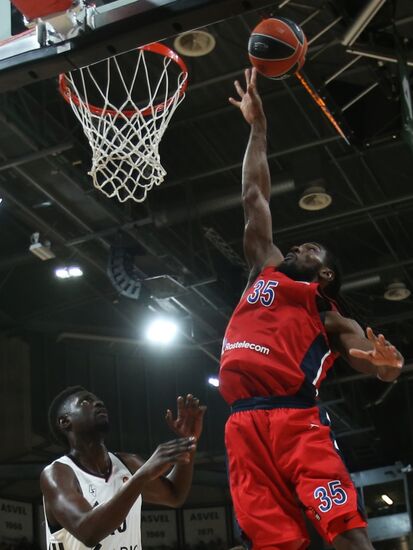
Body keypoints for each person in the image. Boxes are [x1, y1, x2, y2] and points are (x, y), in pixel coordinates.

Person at [220, 68, 404, 550]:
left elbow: (368, 358)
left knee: (346, 530)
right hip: (241, 424)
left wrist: (387, 367)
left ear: (324, 276)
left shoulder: (327, 315)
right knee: (272, 543)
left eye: (313, 250)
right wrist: (257, 127)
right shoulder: (266, 265)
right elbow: (253, 195)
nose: (300, 246)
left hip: (294, 423)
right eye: (300, 245)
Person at [41, 386, 206, 550]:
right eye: (85, 402)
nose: (98, 403)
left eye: (98, 400)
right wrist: (141, 477)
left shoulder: (128, 463)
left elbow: (175, 495)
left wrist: (189, 442)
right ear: (65, 422)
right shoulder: (57, 474)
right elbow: (88, 533)